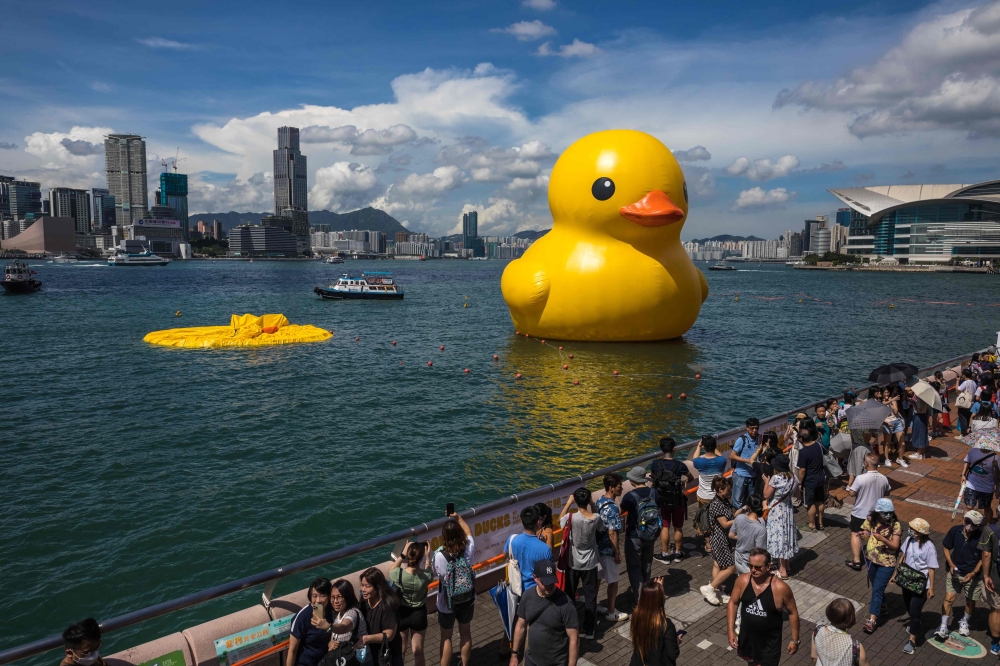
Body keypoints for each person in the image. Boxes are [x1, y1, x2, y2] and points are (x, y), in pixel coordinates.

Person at [726, 548, 801, 666]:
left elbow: (793, 613)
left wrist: (795, 640)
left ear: (768, 566)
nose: (753, 570)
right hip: (747, 639)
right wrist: (730, 631)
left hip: (769, 645)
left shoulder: (780, 588)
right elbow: (733, 603)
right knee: (750, 663)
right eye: (750, 566)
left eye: (757, 567)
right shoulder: (742, 581)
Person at [509, 559, 579, 666]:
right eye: (545, 582)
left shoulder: (566, 604)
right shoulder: (527, 596)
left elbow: (574, 639)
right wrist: (514, 655)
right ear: (535, 578)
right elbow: (520, 626)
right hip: (531, 661)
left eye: (552, 581)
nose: (550, 586)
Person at [558, 487, 604, 640]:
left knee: (570, 595)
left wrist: (568, 503)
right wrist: (593, 503)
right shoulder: (596, 517)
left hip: (573, 562)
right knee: (591, 597)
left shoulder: (572, 518)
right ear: (588, 499)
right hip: (590, 562)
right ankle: (590, 629)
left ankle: (571, 625)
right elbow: (601, 527)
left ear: (576, 501)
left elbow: (560, 520)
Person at [889, 518, 937, 655]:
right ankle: (915, 623)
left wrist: (932, 588)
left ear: (921, 532)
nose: (911, 530)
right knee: (909, 607)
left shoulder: (929, 547)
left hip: (921, 585)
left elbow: (932, 568)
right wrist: (895, 574)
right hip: (906, 581)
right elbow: (902, 557)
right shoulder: (909, 540)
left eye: (914, 529)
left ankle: (912, 641)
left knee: (915, 613)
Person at [434, 511, 475, 666]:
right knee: (465, 632)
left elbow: (437, 573)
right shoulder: (468, 548)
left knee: (446, 637)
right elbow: (469, 533)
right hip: (467, 597)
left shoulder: (439, 556)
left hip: (446, 602)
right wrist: (459, 518)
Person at [937, 510, 985, 639]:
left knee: (970, 600)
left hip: (972, 575)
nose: (968, 525)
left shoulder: (982, 537)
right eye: (967, 521)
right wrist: (951, 565)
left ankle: (964, 621)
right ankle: (943, 625)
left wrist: (974, 573)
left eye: (972, 523)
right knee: (948, 598)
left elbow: (983, 558)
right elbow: (946, 547)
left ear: (979, 525)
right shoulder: (955, 531)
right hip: (955, 573)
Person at [858, 498, 902, 633]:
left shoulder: (896, 525)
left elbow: (895, 546)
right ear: (878, 512)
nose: (887, 515)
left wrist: (883, 539)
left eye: (889, 512)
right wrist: (863, 534)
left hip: (887, 563)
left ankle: (872, 620)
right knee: (876, 586)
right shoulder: (872, 519)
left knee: (877, 589)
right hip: (871, 559)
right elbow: (865, 534)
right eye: (884, 513)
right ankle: (882, 606)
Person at [621, 466, 661, 605]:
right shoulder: (654, 492)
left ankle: (639, 600)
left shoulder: (630, 496)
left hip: (635, 535)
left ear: (633, 480)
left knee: (634, 566)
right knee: (647, 563)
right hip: (652, 533)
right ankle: (647, 591)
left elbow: (622, 509)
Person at [650, 436, 693, 564]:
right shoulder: (680, 465)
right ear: (674, 449)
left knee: (665, 526)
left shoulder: (655, 464)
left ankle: (664, 554)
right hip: (677, 500)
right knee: (678, 527)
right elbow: (690, 477)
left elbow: (653, 476)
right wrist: (684, 482)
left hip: (662, 500)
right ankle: (677, 554)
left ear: (662, 449)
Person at [845, 453, 890, 571]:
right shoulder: (883, 478)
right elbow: (887, 493)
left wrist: (850, 487)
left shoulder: (861, 478)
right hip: (876, 514)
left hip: (860, 512)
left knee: (856, 534)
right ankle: (874, 558)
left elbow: (852, 493)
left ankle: (856, 560)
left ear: (866, 464)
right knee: (873, 535)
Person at [389, 541, 432, 666]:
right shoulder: (426, 576)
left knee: (401, 650)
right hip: (419, 614)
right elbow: (429, 570)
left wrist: (402, 555)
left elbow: (391, 570)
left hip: (402, 613)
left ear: (408, 556)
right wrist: (428, 557)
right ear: (421, 558)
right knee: (418, 651)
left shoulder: (399, 574)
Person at [595, 472, 630, 622]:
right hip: (609, 550)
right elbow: (613, 533)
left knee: (597, 578)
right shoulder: (613, 509)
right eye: (619, 487)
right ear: (611, 488)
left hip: (597, 548)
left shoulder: (599, 501)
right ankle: (611, 611)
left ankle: (595, 604)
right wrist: (617, 552)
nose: (621, 489)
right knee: (613, 581)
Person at [701, 476, 740, 605]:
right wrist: (740, 519)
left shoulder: (724, 501)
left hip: (721, 538)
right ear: (720, 489)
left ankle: (717, 590)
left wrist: (740, 511)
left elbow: (729, 517)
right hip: (719, 539)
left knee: (718, 565)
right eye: (728, 490)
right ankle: (710, 588)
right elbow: (724, 524)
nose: (730, 492)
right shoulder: (716, 504)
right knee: (731, 568)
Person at [629, 578, 680, 666]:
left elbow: (650, 598)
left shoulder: (637, 615)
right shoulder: (666, 625)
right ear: (660, 600)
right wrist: (677, 641)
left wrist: (656, 588)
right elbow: (673, 654)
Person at [357, 568, 402, 666]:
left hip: (388, 654)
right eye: (362, 585)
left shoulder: (388, 605)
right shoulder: (364, 601)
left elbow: (389, 635)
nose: (363, 589)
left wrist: (366, 639)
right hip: (371, 652)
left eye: (367, 586)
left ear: (377, 587)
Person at [763, 454, 798, 579]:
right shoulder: (794, 478)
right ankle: (787, 566)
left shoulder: (776, 478)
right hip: (788, 509)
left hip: (777, 510)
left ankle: (782, 570)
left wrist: (766, 482)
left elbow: (766, 495)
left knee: (778, 538)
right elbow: (796, 493)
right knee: (786, 537)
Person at [691, 435, 727, 552]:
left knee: (705, 520)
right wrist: (713, 446)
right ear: (715, 447)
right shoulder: (722, 461)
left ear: (704, 447)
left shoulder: (699, 462)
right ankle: (720, 539)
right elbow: (720, 455)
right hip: (718, 496)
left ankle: (708, 544)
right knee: (718, 519)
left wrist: (698, 446)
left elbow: (694, 458)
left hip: (704, 496)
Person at [507, 505, 554, 595]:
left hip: (517, 586)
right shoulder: (545, 548)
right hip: (537, 589)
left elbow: (505, 554)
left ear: (521, 521)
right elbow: (548, 569)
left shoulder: (512, 539)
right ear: (538, 521)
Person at [288, 578, 334, 666]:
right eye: (314, 596)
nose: (318, 600)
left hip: (327, 661)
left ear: (329, 596)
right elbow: (292, 650)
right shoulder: (302, 617)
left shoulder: (332, 611)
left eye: (322, 595)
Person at [811, 599, 870, 666]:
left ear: (829, 613)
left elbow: (814, 657)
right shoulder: (855, 646)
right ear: (850, 618)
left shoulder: (818, 630)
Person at [325, 579, 368, 666]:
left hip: (358, 662)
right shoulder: (338, 615)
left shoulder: (353, 613)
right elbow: (335, 637)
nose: (335, 601)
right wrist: (330, 644)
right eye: (332, 597)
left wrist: (327, 626)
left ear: (348, 597)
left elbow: (344, 627)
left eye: (339, 597)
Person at [795, 427, 826, 531]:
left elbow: (802, 470)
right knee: (820, 501)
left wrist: (800, 483)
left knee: (810, 503)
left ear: (800, 439)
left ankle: (812, 524)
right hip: (820, 478)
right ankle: (820, 523)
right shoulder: (818, 444)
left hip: (810, 481)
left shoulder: (803, 452)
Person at [962, 441, 998, 528]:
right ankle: (965, 524)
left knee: (987, 508)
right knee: (969, 506)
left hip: (986, 488)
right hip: (971, 484)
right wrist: (963, 474)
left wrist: (996, 466)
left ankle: (989, 525)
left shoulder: (996, 458)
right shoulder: (973, 451)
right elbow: (967, 461)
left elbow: (997, 476)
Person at [730, 495, 768, 575]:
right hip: (751, 564)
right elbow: (760, 551)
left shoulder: (739, 518)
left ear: (748, 507)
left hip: (738, 559)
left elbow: (731, 535)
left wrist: (743, 537)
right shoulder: (761, 528)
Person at [980, 510, 1000, 655]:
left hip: (996, 576)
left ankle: (996, 643)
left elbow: (986, 554)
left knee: (996, 609)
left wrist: (986, 575)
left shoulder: (990, 530)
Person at [729, 418, 761, 509]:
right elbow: (732, 456)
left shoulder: (760, 439)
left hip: (753, 476)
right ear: (747, 428)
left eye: (756, 428)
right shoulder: (741, 440)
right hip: (741, 475)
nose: (754, 431)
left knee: (751, 502)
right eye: (752, 428)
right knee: (737, 502)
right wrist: (748, 461)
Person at [750, 433, 779, 501]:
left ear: (765, 457)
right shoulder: (777, 466)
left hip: (760, 493)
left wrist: (759, 449)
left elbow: (751, 460)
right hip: (772, 493)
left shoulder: (760, 466)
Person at [906, 386, 930, 460]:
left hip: (919, 416)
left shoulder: (919, 398)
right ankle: (922, 452)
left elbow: (919, 408)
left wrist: (912, 402)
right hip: (923, 416)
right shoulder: (926, 397)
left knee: (919, 433)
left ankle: (919, 453)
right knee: (923, 434)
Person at [957, 368, 978, 441]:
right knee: (967, 418)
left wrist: (957, 381)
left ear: (964, 375)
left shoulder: (966, 382)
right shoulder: (974, 382)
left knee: (963, 418)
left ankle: (963, 434)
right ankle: (966, 432)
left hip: (964, 403)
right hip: (971, 403)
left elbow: (958, 389)